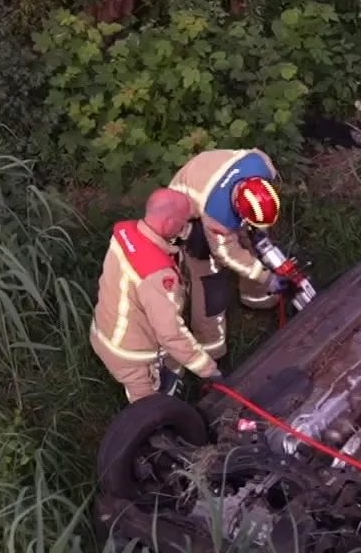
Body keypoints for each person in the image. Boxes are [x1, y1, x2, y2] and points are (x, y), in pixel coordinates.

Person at [88, 187, 222, 401]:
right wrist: (209, 370)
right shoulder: (158, 275)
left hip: (104, 329)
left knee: (173, 365)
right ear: (169, 224)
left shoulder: (125, 233)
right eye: (183, 223)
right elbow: (171, 333)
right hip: (132, 356)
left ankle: (175, 387)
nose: (185, 228)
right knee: (152, 411)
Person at [166, 147, 293, 363]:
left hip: (211, 184)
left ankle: (257, 299)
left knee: (254, 245)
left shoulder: (262, 163)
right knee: (210, 282)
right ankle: (211, 350)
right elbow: (227, 254)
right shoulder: (217, 213)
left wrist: (258, 232)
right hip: (185, 216)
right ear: (237, 207)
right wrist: (267, 277)